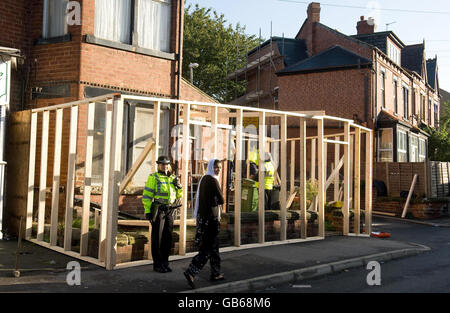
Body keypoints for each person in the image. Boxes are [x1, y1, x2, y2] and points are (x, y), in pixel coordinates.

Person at [183, 159, 225, 289]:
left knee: (214, 248)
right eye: (216, 167)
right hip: (210, 220)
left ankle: (216, 273)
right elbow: (221, 199)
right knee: (207, 249)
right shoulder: (213, 180)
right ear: (211, 167)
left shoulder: (203, 179)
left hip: (202, 219)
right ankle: (191, 271)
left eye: (219, 167)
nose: (218, 169)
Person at [142, 156, 182, 273]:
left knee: (167, 238)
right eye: (162, 164)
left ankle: (165, 262)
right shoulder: (153, 177)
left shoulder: (173, 178)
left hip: (169, 210)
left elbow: (180, 196)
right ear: (158, 165)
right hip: (159, 210)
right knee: (157, 238)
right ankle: (157, 264)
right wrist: (148, 211)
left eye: (166, 164)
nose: (165, 166)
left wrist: (179, 186)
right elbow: (147, 196)